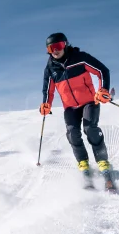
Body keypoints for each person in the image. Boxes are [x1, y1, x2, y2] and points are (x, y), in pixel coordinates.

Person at [40, 32, 113, 183]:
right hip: (70, 107)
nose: (55, 50)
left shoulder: (80, 58)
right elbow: (48, 90)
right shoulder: (50, 69)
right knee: (72, 133)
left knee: (90, 129)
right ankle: (83, 162)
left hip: (89, 102)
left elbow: (102, 71)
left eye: (58, 46)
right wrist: (46, 103)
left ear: (65, 45)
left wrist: (103, 90)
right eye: (50, 48)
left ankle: (102, 161)